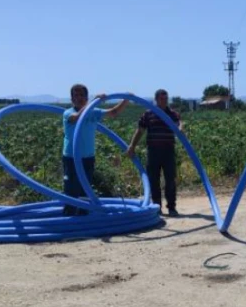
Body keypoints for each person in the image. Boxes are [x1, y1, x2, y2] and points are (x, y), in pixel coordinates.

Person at [62, 83, 130, 216]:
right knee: (71, 188)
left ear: (86, 97)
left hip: (88, 157)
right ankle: (68, 217)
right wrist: (92, 102)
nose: (79, 97)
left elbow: (113, 112)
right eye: (76, 95)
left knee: (85, 188)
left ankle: (83, 215)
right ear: (71, 99)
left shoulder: (93, 112)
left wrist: (126, 99)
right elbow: (76, 118)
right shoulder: (68, 113)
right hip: (71, 157)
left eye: (82, 95)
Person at [126, 89, 182, 216]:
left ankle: (172, 207)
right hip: (153, 152)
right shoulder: (148, 114)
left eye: (165, 98)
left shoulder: (172, 114)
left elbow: (179, 125)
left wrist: (180, 128)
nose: (164, 101)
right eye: (161, 99)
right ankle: (157, 207)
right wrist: (132, 146)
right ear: (156, 99)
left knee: (170, 180)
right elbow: (140, 131)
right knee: (153, 180)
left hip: (168, 152)